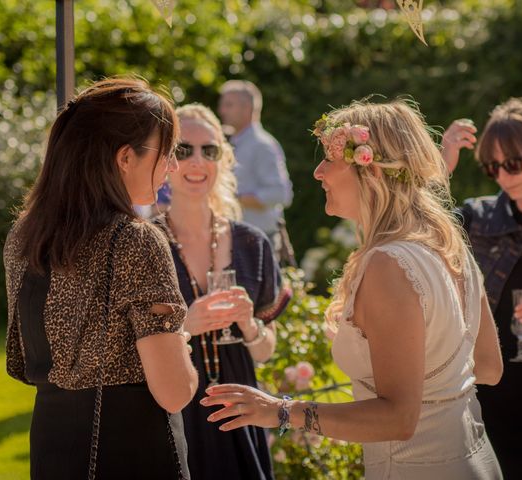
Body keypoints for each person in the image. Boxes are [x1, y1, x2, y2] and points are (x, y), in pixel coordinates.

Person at [202, 99, 504, 479]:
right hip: (474, 460)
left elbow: (398, 418)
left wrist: (281, 410)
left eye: (329, 159)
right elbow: (489, 368)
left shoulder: (389, 265)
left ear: (371, 170)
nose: (317, 172)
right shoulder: (449, 246)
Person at [3, 78, 198, 480]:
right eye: (168, 152)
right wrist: (185, 340)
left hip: (51, 445)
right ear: (125, 157)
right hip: (131, 451)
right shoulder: (136, 240)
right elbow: (175, 390)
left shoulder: (24, 236)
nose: (173, 166)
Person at [152, 103, 290, 480]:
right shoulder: (145, 242)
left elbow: (265, 352)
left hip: (240, 404)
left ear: (223, 160)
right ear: (166, 160)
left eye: (209, 150)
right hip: (172, 406)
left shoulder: (253, 244)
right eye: (184, 149)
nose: (197, 161)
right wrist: (185, 326)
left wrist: (248, 325)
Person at [441, 98, 522, 479]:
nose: (505, 177)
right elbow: (414, 239)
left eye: (513, 163)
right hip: (490, 409)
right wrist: (438, 171)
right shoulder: (478, 219)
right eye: (494, 168)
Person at [218, 80, 294, 262]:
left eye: (229, 105)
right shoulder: (233, 142)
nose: (222, 111)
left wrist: (231, 198)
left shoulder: (262, 145)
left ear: (247, 108)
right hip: (237, 238)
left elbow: (280, 194)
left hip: (259, 241)